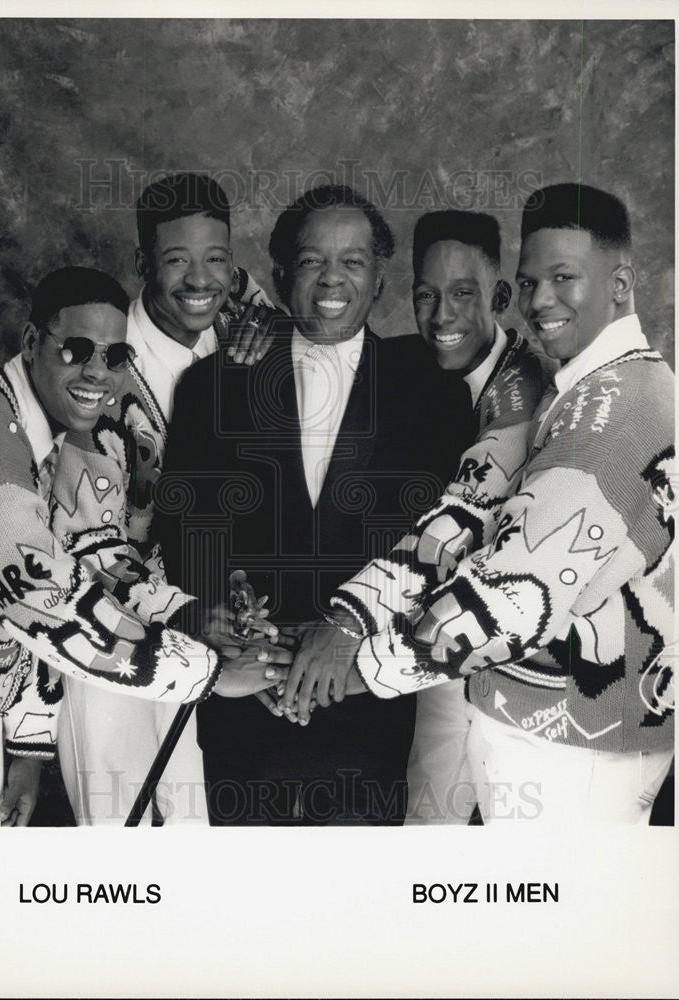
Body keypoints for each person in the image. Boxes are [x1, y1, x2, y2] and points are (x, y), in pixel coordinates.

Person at [347, 183, 676, 824]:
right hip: (543, 728)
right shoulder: (587, 385)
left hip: (577, 746)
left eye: (564, 278)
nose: (540, 302)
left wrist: (353, 666)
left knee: (561, 919)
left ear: (621, 282)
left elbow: (510, 597)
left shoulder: (621, 407)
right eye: (530, 283)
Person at [0, 266, 288, 826]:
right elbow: (47, 604)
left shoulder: (49, 429)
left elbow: (91, 557)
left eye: (116, 356)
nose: (98, 372)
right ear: (30, 342)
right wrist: (209, 673)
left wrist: (194, 618)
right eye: (75, 349)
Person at [159, 184, 474, 824]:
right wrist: (231, 615)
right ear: (280, 275)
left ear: (380, 278)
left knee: (360, 906)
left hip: (369, 701)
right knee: (244, 903)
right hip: (244, 697)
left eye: (353, 262)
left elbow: (447, 541)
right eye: (311, 262)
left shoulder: (432, 393)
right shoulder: (210, 385)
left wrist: (349, 639)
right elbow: (183, 529)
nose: (332, 279)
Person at [294, 210, 549, 823]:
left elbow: (464, 507)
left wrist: (349, 619)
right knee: (426, 822)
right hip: (428, 641)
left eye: (464, 294)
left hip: (523, 653)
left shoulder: (523, 387)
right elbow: (321, 324)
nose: (442, 317)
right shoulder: (417, 360)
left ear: (501, 296)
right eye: (427, 295)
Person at [53, 173, 282, 825]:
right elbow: (90, 548)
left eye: (216, 258)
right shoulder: (95, 370)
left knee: (201, 841)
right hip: (112, 636)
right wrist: (188, 610)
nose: (201, 280)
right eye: (177, 260)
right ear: (142, 263)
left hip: (222, 632)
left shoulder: (252, 330)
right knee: (125, 840)